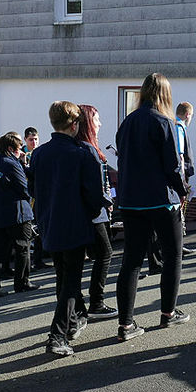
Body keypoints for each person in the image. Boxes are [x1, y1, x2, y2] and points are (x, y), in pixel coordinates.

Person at [114, 73, 190, 342]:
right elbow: (172, 167)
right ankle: (168, 314)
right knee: (173, 256)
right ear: (165, 94)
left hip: (131, 200)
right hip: (160, 199)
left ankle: (126, 324)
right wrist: (183, 192)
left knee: (131, 262)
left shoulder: (127, 123)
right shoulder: (164, 122)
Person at [28, 101, 104, 357]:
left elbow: (32, 189)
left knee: (62, 279)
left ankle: (70, 323)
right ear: (74, 125)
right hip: (74, 224)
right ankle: (57, 335)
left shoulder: (39, 153)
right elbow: (94, 195)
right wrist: (91, 212)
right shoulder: (82, 152)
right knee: (70, 282)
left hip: (49, 223)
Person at [0, 131, 38, 299]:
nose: (20, 151)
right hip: (17, 214)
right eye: (18, 148)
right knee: (22, 249)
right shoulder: (11, 164)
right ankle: (22, 283)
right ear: (10, 148)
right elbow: (24, 188)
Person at [76, 105, 119, 320]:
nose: (100, 123)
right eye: (96, 119)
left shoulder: (84, 147)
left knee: (99, 254)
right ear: (87, 123)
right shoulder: (87, 149)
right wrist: (105, 202)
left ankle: (89, 303)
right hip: (94, 213)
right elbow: (93, 185)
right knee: (105, 253)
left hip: (92, 211)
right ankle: (96, 302)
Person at [23, 126, 49, 270]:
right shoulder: (22, 155)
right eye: (31, 140)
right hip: (27, 197)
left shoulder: (40, 153)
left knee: (39, 228)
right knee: (28, 231)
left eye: (36, 139)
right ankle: (29, 261)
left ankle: (38, 259)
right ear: (25, 140)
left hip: (38, 196)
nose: (34, 142)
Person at [174, 102, 196, 256]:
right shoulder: (179, 127)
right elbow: (180, 155)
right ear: (188, 114)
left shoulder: (176, 126)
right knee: (179, 208)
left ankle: (179, 243)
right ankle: (178, 244)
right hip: (181, 175)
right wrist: (182, 180)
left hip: (180, 175)